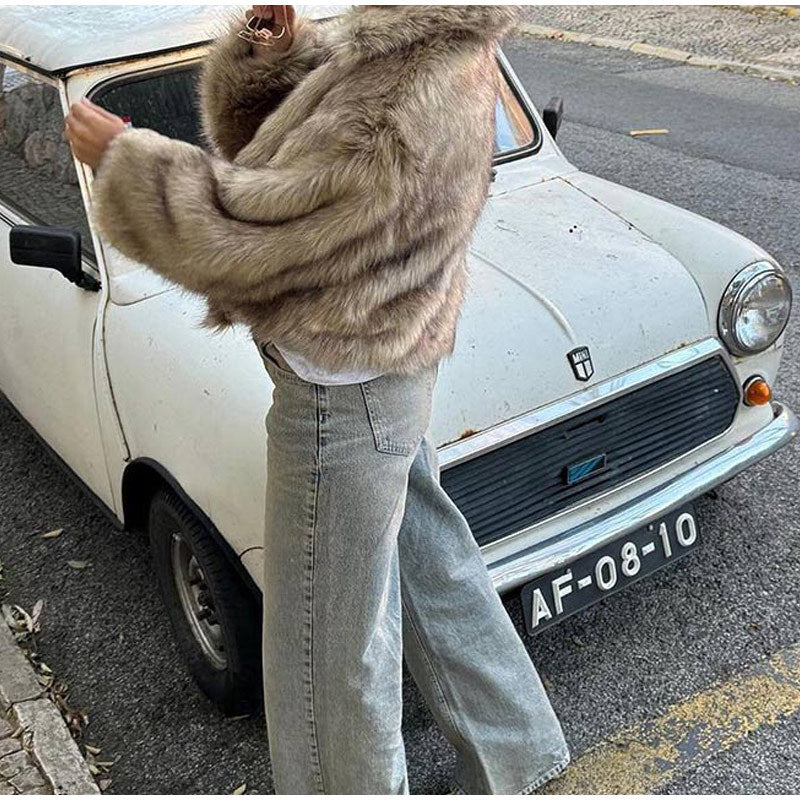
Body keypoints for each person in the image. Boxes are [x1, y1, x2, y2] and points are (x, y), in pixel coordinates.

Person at [65, 4, 569, 794]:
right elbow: (303, 158)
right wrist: (273, 57)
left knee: (325, 657)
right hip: (388, 367)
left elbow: (253, 238)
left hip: (342, 393)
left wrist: (125, 159)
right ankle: (519, 757)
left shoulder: (406, 86)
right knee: (431, 574)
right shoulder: (422, 42)